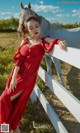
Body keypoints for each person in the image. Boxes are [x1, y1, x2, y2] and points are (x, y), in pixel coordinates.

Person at [0, 15, 67, 133]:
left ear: (40, 27)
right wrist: (14, 77)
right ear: (27, 30)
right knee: (12, 103)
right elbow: (19, 60)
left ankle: (5, 128)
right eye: (31, 28)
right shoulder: (24, 41)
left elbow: (55, 40)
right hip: (16, 75)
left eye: (36, 26)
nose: (35, 29)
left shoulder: (43, 40)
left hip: (28, 79)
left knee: (3, 100)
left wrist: (60, 42)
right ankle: (13, 128)